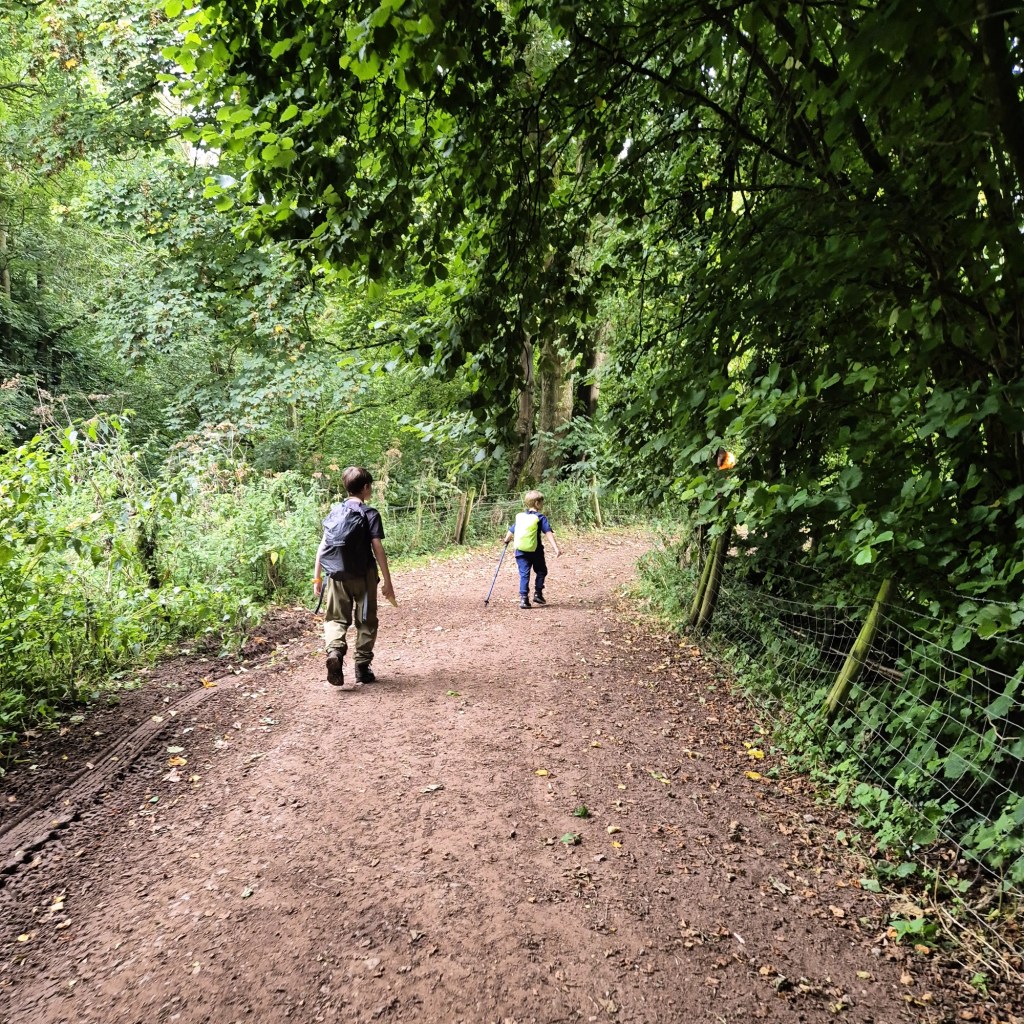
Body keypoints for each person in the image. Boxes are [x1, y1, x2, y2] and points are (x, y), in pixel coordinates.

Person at [313, 466, 395, 687]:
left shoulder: (335, 513)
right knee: (366, 621)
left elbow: (322, 547)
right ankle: (362, 668)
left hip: (336, 576)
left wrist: (317, 578)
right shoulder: (370, 514)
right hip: (364, 576)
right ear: (366, 488)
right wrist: (387, 581)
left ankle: (335, 653)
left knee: (335, 619)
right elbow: (377, 549)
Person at [502, 489, 561, 609]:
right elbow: (548, 532)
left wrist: (506, 540)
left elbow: (509, 534)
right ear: (537, 504)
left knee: (524, 574)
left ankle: (524, 599)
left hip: (521, 552)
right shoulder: (540, 517)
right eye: (542, 503)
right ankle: (538, 594)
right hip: (536, 552)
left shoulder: (521, 518)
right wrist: (556, 548)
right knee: (541, 571)